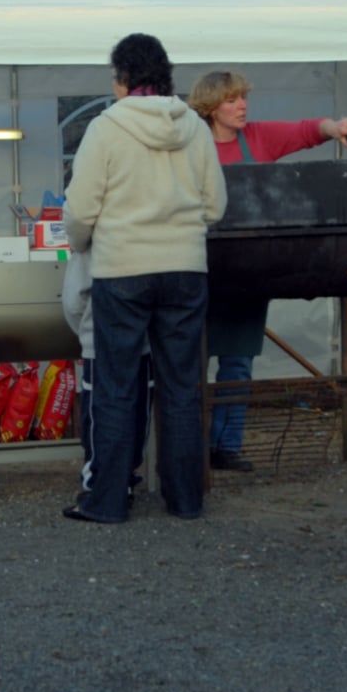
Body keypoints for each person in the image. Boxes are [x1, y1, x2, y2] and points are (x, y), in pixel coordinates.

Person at [63, 33, 226, 523]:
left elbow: (81, 209)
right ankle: (185, 500)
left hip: (123, 271)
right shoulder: (194, 127)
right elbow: (215, 205)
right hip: (185, 272)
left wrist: (81, 241)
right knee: (180, 387)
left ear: (122, 79)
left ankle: (108, 501)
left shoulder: (106, 127)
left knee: (116, 386)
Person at [187, 70, 347, 472]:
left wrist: (334, 127)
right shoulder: (190, 147)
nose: (242, 105)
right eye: (232, 100)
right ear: (211, 106)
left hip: (249, 273)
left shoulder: (260, 137)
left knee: (238, 363)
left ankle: (225, 448)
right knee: (192, 364)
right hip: (200, 272)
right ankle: (192, 448)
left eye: (243, 98)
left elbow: (305, 131)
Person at [61, 244, 148, 508]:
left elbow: (74, 301)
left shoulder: (91, 240)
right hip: (144, 345)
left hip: (99, 344)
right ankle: (128, 477)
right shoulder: (149, 236)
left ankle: (99, 484)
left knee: (99, 415)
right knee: (138, 414)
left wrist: (84, 335)